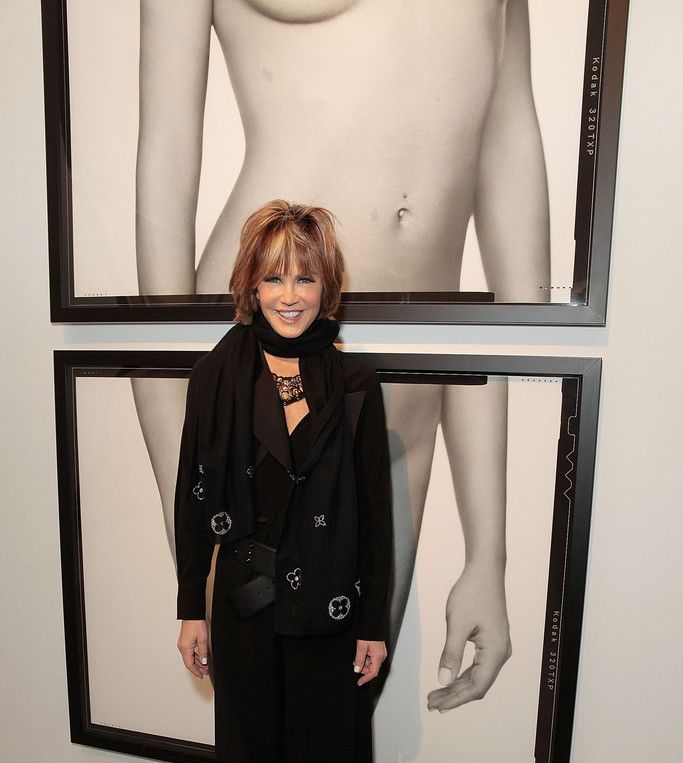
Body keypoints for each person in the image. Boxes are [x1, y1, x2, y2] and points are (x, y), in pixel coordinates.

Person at [137, 0, 537, 709]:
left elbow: (507, 139)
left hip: (409, 401)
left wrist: (488, 552)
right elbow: (163, 187)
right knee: (263, 719)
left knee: (343, 716)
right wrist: (194, 553)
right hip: (258, 381)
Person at [174, 201, 392, 763]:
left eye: (304, 277)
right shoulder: (216, 375)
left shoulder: (355, 383)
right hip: (243, 606)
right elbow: (193, 497)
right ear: (250, 286)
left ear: (326, 285)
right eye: (273, 278)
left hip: (328, 610)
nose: (289, 294)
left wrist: (373, 623)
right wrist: (189, 606)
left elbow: (373, 513)